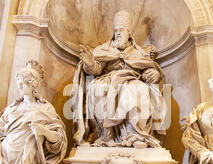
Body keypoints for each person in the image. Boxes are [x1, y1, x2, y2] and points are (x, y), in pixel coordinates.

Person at [71, 10, 168, 148]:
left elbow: (149, 68)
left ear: (129, 33)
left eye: (121, 30)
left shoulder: (139, 52)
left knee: (139, 88)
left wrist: (154, 74)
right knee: (96, 87)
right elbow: (95, 69)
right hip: (107, 79)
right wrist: (89, 63)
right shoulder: (104, 49)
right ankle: (105, 135)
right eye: (115, 30)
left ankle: (135, 135)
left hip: (132, 80)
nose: (117, 33)